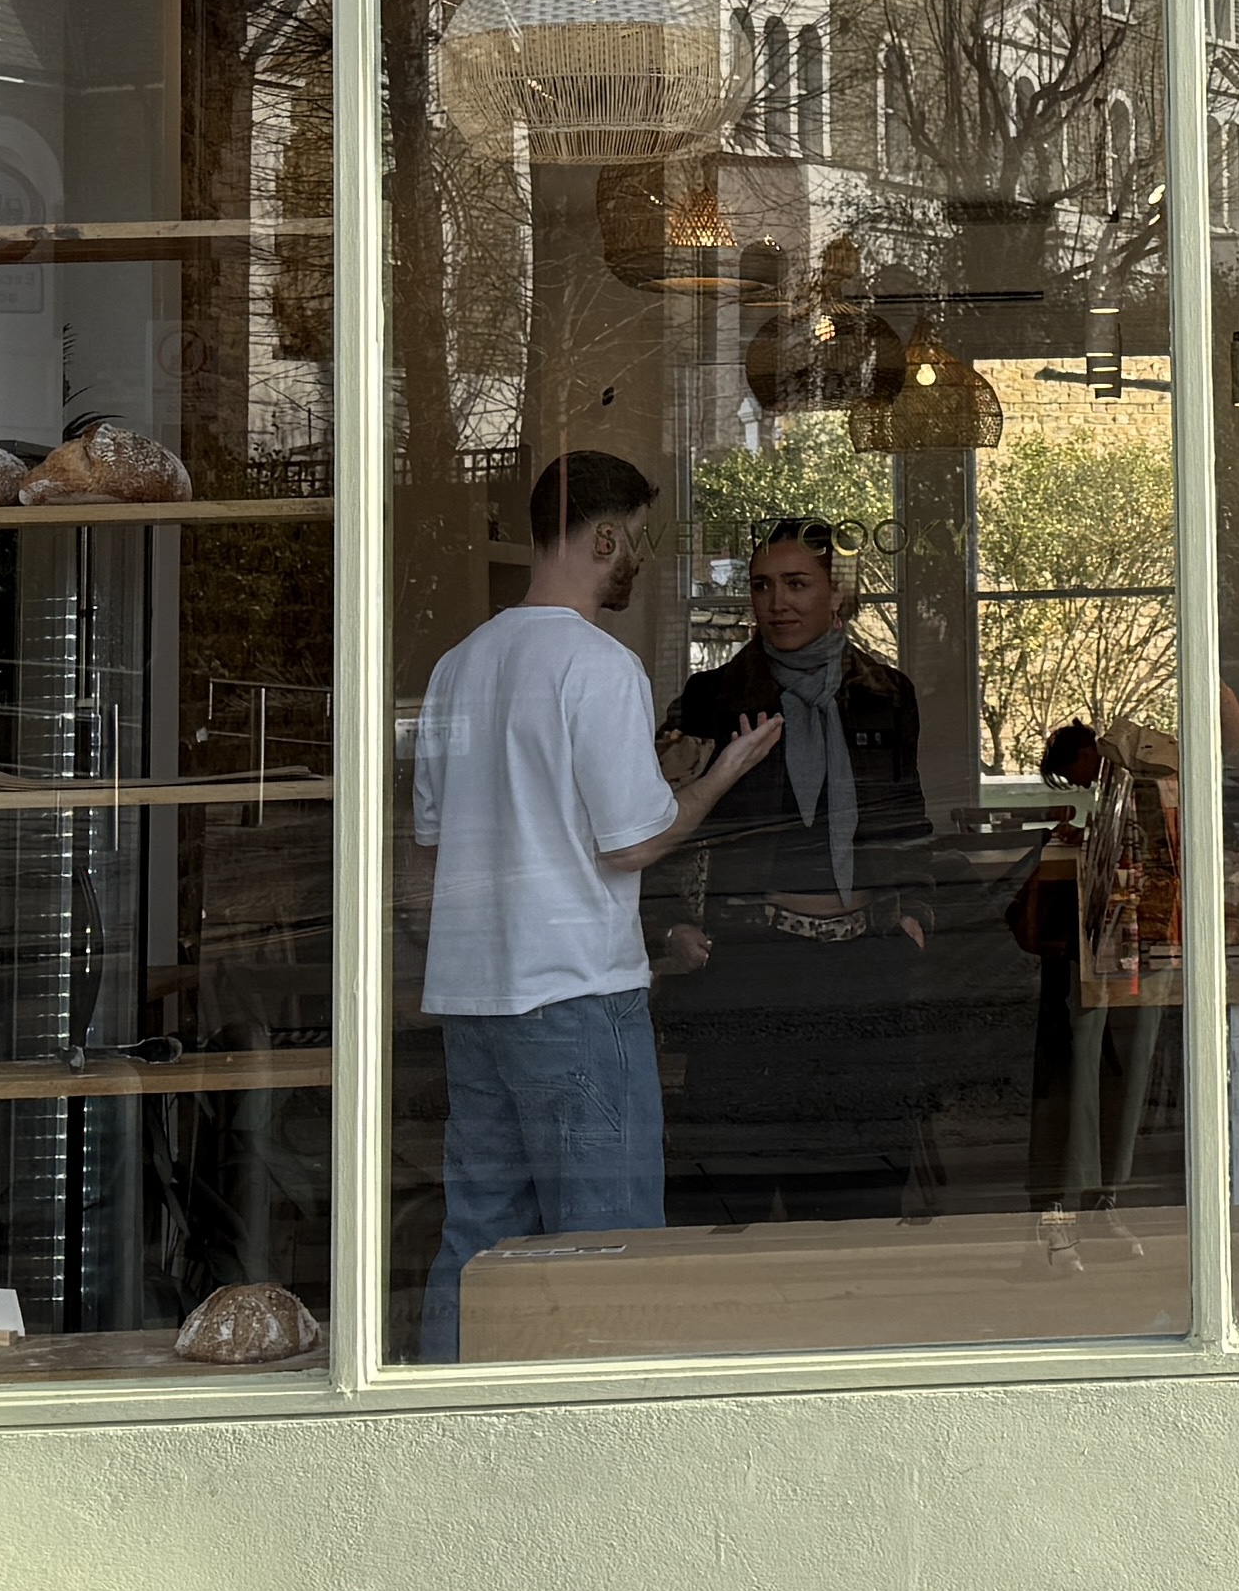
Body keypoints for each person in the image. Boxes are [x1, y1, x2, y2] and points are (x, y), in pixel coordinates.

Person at [410, 450, 776, 1355]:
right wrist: (720, 776)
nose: (637, 560)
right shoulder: (598, 667)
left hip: (473, 998)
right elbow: (632, 842)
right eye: (637, 542)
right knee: (607, 1245)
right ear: (605, 536)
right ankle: (606, 1465)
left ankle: (441, 1436)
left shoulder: (460, 665)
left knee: (479, 1245)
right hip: (575, 995)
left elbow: (434, 832)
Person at [659, 517, 962, 1220]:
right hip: (748, 964)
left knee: (858, 1184)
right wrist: (671, 925)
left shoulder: (886, 693)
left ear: (838, 594)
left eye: (798, 584)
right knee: (734, 1190)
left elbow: (905, 813)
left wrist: (916, 907)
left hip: (862, 964)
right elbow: (661, 825)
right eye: (763, 587)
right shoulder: (714, 697)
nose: (778, 603)